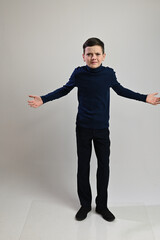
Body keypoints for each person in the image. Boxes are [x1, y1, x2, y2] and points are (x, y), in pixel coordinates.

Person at [28, 37, 160, 222]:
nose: (93, 57)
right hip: (82, 128)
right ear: (83, 56)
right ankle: (84, 204)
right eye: (89, 54)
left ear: (104, 56)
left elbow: (121, 90)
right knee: (83, 166)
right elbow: (64, 90)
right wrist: (43, 98)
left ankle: (102, 205)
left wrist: (144, 97)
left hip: (102, 130)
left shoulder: (108, 74)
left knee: (103, 167)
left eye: (97, 54)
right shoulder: (78, 74)